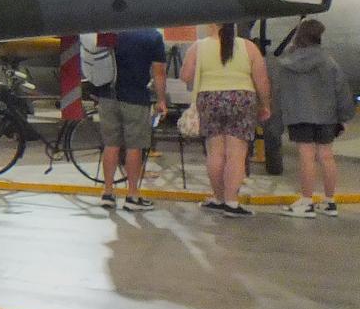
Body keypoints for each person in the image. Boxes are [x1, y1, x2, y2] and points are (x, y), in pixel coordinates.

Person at [181, 21, 270, 217]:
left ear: (212, 25)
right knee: (236, 154)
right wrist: (265, 104)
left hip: (209, 98)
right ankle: (231, 202)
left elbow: (185, 76)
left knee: (215, 153)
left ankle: (219, 198)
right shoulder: (248, 47)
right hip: (241, 99)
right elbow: (262, 79)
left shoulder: (198, 47)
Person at [274, 19, 348, 218]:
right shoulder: (329, 61)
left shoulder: (288, 62)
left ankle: (306, 202)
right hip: (327, 115)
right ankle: (329, 202)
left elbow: (280, 90)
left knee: (306, 156)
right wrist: (343, 117)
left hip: (299, 115)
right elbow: (341, 89)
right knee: (326, 156)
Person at [98, 27, 167, 211]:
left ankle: (107, 193)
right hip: (136, 98)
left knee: (111, 145)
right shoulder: (152, 36)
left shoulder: (112, 31)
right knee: (134, 147)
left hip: (108, 96)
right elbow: (159, 72)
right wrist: (161, 99)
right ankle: (132, 196)